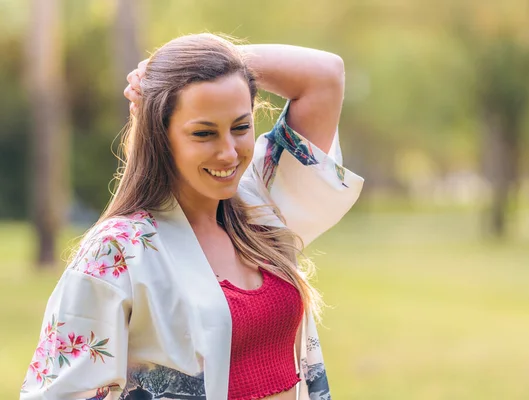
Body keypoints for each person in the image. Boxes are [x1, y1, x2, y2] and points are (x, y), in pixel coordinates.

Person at [20, 33, 363, 400]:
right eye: (204, 133)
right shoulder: (118, 252)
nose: (229, 153)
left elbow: (325, 76)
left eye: (241, 127)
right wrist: (175, 76)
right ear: (160, 135)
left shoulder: (261, 204)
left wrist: (213, 63)